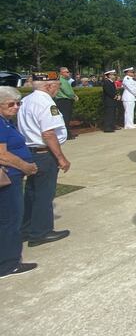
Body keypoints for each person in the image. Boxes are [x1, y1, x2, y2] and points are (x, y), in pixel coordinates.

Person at [17, 74, 71, 247]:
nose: (58, 89)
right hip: (44, 153)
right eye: (57, 86)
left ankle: (26, 229)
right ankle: (41, 232)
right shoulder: (46, 103)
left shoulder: (26, 100)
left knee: (31, 192)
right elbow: (48, 133)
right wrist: (61, 158)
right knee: (44, 194)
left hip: (29, 151)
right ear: (48, 86)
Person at [0, 86, 40, 278]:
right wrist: (26, 166)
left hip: (13, 177)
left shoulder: (6, 122)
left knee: (9, 219)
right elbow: (2, 154)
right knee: (10, 220)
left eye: (18, 103)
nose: (16, 107)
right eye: (11, 104)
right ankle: (9, 264)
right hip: (9, 178)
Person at [55, 67, 79, 140]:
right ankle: (66, 135)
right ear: (61, 73)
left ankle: (66, 134)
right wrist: (74, 96)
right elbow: (68, 91)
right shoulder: (62, 80)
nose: (68, 73)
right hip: (64, 101)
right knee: (66, 118)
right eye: (67, 72)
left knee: (65, 118)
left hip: (62, 100)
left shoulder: (63, 80)